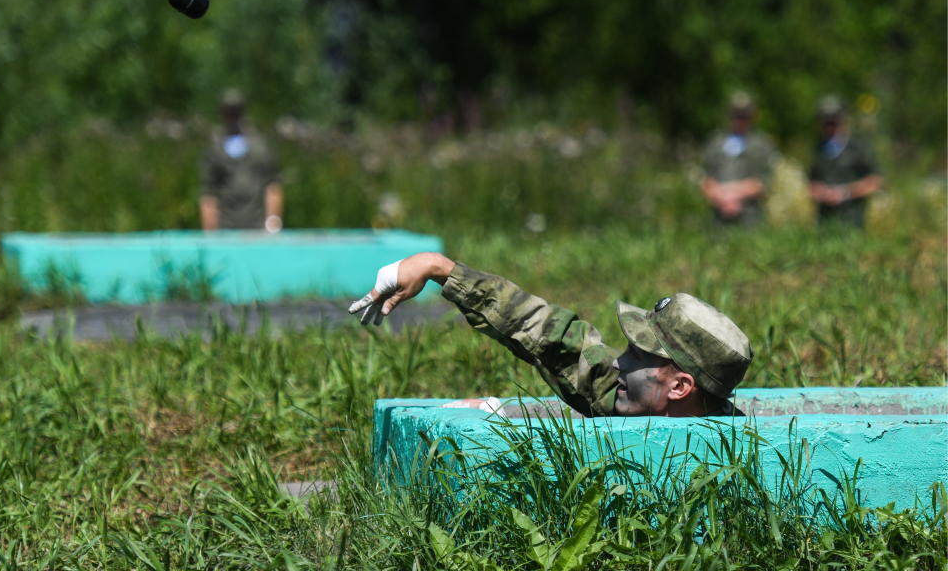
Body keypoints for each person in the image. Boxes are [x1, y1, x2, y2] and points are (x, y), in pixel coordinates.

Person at [348, 253, 753, 418]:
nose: (618, 362)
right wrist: (440, 269)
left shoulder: (731, 460)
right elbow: (552, 335)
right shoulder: (636, 399)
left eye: (636, 357)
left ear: (680, 386)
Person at [200, 90, 284, 232]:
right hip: (226, 228)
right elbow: (209, 195)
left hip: (257, 227)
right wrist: (210, 232)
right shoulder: (216, 149)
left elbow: (273, 188)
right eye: (229, 112)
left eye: (236, 112)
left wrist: (273, 224)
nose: (233, 116)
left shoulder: (259, 146)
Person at [700, 93, 780, 226]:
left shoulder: (762, 144)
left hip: (751, 218)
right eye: (736, 115)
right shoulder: (715, 142)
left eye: (744, 116)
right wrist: (722, 199)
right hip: (718, 218)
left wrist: (734, 196)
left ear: (752, 117)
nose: (740, 120)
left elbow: (766, 180)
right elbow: (705, 178)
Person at [808, 96, 883, 227]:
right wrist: (824, 193)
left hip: (852, 222)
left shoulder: (859, 147)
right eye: (826, 123)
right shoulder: (817, 149)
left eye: (833, 122)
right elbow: (810, 184)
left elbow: (876, 182)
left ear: (843, 120)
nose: (830, 128)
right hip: (825, 223)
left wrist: (846, 193)